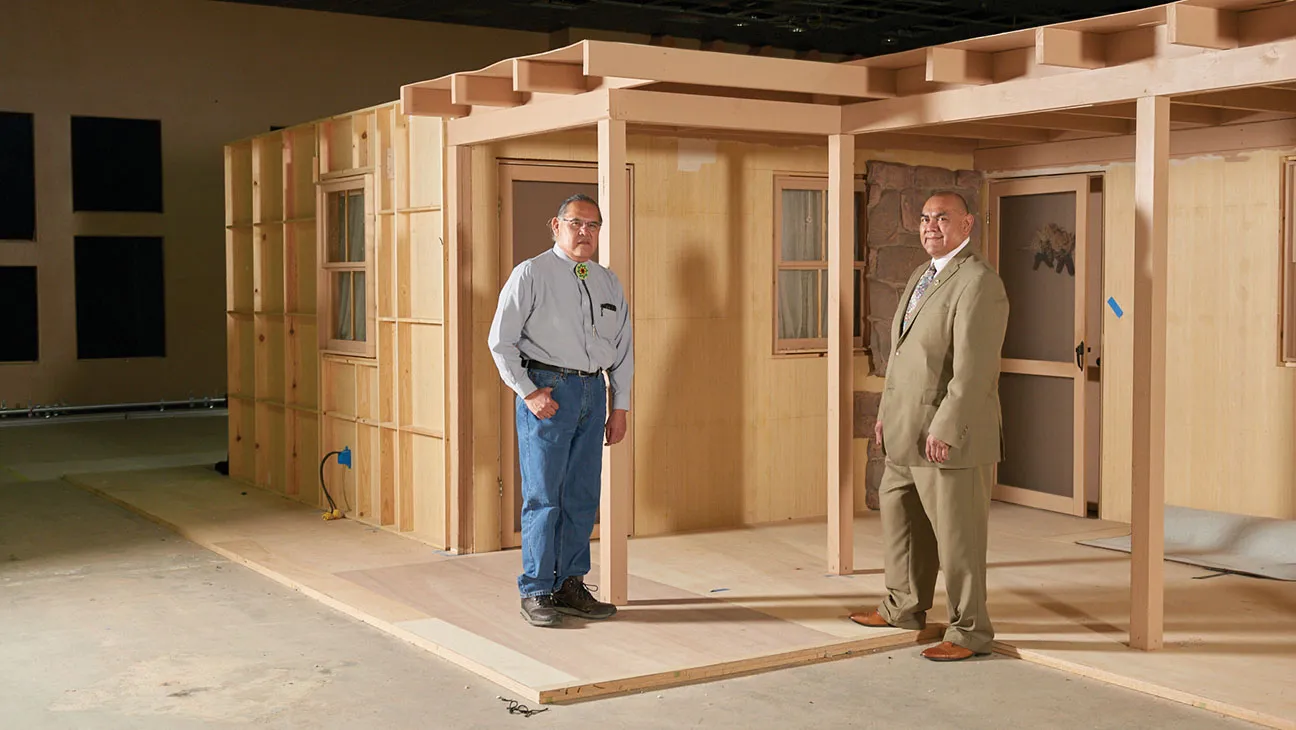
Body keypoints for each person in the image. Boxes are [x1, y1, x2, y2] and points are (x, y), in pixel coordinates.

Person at [848, 191, 1009, 662]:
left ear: (968, 225)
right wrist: (883, 417)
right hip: (903, 430)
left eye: (942, 218)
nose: (930, 226)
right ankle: (903, 607)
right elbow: (902, 357)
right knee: (901, 522)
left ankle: (970, 632)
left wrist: (946, 427)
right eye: (923, 218)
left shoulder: (979, 282)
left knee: (958, 540)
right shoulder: (922, 275)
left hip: (946, 437)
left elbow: (974, 370)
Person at [487, 193, 633, 627]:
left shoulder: (607, 281)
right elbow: (501, 342)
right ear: (556, 226)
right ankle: (536, 590)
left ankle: (570, 583)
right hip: (550, 393)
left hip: (593, 393)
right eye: (576, 224)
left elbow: (623, 350)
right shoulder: (531, 274)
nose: (585, 232)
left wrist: (619, 406)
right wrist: (530, 393)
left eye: (593, 225)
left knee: (582, 496)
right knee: (543, 497)